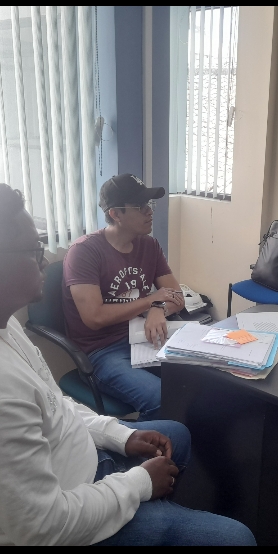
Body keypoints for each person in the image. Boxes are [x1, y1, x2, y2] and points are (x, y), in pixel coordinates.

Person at [0, 183, 255, 547]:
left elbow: (54, 404)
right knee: (237, 539)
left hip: (78, 466)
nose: (44, 261)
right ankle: (159, 518)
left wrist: (121, 435)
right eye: (33, 249)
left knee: (176, 433)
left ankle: (161, 514)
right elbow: (45, 529)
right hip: (63, 526)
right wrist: (140, 483)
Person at [62, 174, 184, 419]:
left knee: (202, 378)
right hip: (102, 352)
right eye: (139, 206)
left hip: (145, 336)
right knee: (161, 398)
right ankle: (142, 443)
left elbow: (176, 296)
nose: (149, 211)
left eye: (149, 204)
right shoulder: (84, 252)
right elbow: (95, 317)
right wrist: (150, 301)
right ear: (115, 213)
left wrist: (158, 307)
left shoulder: (149, 246)